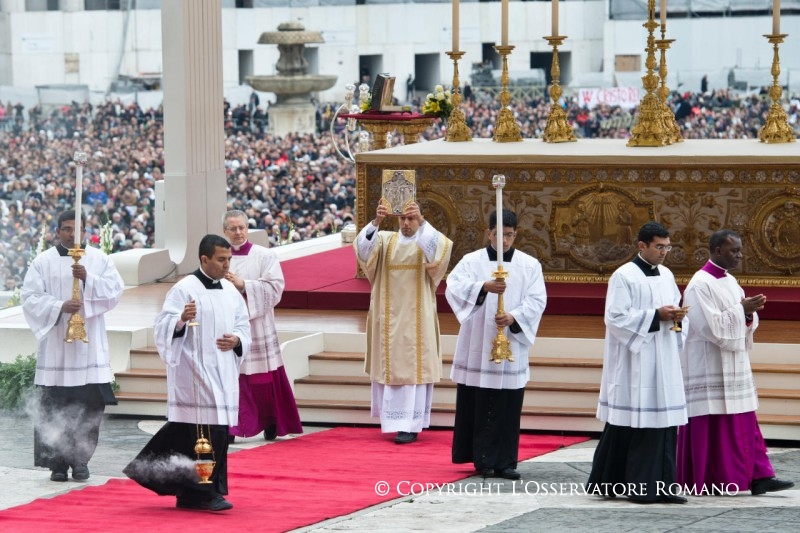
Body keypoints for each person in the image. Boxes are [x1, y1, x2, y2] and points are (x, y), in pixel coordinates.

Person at [124, 234, 251, 512]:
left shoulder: (231, 291)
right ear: (204, 259)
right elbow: (162, 327)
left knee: (215, 431)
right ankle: (205, 493)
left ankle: (189, 492)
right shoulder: (183, 289)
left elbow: (244, 325)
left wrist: (237, 340)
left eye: (229, 259)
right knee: (204, 432)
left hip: (223, 371)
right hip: (193, 372)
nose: (227, 265)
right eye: (221, 259)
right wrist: (181, 319)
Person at [677, 229, 794, 495]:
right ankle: (712, 479)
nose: (740, 256)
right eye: (734, 251)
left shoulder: (730, 281)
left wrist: (748, 314)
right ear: (718, 250)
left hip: (733, 362)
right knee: (716, 424)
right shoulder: (699, 284)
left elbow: (740, 318)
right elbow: (708, 327)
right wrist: (742, 310)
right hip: (709, 363)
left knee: (744, 420)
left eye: (740, 250)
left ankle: (759, 476)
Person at [586, 221, 689, 504]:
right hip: (636, 361)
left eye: (667, 247)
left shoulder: (667, 275)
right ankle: (638, 487)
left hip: (664, 356)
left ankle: (664, 486)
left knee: (663, 422)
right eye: (659, 247)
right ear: (642, 245)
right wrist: (656, 316)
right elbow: (615, 318)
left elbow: (675, 307)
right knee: (635, 423)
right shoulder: (624, 276)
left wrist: (678, 317)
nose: (664, 252)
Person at [21, 210, 124, 482]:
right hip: (56, 349)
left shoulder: (99, 260)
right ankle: (57, 464)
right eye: (66, 229)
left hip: (88, 350)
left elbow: (115, 292)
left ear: (85, 232)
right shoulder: (43, 262)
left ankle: (80, 461)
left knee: (89, 407)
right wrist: (59, 306)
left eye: (77, 229)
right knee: (54, 407)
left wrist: (89, 278)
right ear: (57, 231)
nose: (72, 234)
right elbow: (30, 298)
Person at [446, 209, 547, 480]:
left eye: (509, 235)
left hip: (510, 341)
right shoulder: (471, 261)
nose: (503, 240)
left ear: (516, 235)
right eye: (498, 234)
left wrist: (514, 317)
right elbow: (453, 286)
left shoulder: (529, 265)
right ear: (488, 233)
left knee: (508, 404)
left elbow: (537, 300)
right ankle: (482, 460)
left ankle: (505, 461)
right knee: (479, 401)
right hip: (479, 342)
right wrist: (483, 287)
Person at [354, 200, 452, 444]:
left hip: (416, 318)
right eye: (402, 219)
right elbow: (363, 251)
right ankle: (394, 421)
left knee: (413, 369)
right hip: (387, 317)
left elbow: (440, 253)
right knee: (392, 368)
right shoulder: (385, 240)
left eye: (411, 219)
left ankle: (410, 425)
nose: (406, 223)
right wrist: (376, 221)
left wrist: (423, 221)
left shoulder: (425, 241)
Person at [222, 210, 302, 442]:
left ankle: (270, 420)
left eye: (241, 227)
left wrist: (243, 285)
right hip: (229, 325)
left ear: (247, 228)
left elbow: (275, 289)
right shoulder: (220, 257)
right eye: (232, 229)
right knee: (233, 377)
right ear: (224, 231)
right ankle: (232, 426)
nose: (238, 232)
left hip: (257, 326)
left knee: (263, 378)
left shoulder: (264, 255)